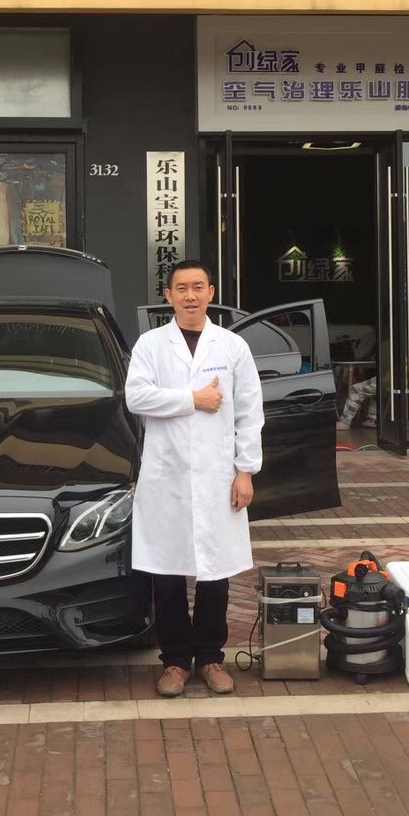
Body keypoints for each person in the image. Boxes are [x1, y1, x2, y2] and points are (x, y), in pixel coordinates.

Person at [125, 259, 264, 698]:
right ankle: (174, 661)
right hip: (165, 476)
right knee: (166, 571)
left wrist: (246, 471)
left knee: (214, 571)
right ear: (168, 296)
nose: (190, 295)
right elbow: (136, 396)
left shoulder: (232, 347)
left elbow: (249, 413)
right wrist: (192, 399)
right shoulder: (150, 344)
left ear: (211, 292)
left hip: (217, 476)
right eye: (181, 288)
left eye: (198, 287)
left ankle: (210, 657)